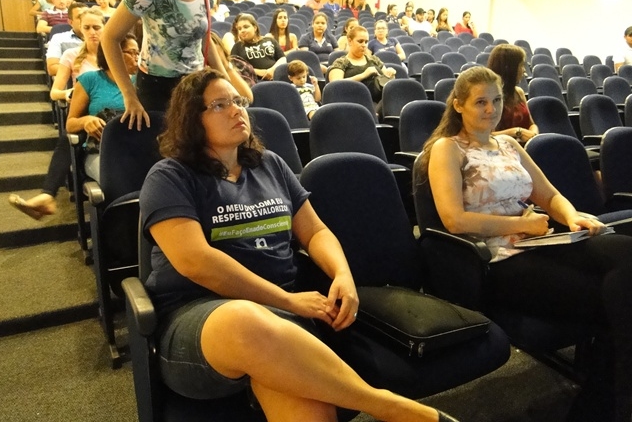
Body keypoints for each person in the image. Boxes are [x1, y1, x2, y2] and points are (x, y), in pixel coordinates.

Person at [138, 67, 459, 422]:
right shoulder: (170, 176)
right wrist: (287, 301)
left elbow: (316, 232)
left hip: (280, 320)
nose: (236, 110)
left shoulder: (270, 165)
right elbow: (195, 261)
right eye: (219, 105)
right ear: (190, 119)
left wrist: (342, 275)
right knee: (245, 319)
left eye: (238, 101)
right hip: (198, 322)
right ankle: (393, 408)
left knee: (312, 409)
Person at [416, 65, 632, 422]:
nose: (491, 109)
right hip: (495, 260)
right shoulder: (447, 149)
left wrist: (572, 216)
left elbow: (549, 195)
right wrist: (521, 225)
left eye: (497, 100)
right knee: (618, 299)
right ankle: (611, 405)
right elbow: (454, 220)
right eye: (481, 102)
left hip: (539, 242)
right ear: (458, 105)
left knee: (625, 253)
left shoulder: (509, 144)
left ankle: (607, 405)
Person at [101, 0, 234, 129]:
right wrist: (129, 95)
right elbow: (109, 37)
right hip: (157, 89)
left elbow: (204, 39)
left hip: (194, 87)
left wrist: (225, 79)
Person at [8, 8, 104, 220]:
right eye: (87, 27)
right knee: (68, 138)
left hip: (108, 110)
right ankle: (48, 195)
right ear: (80, 28)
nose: (92, 32)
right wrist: (68, 93)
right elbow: (55, 92)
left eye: (97, 27)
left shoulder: (115, 55)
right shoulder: (72, 55)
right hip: (82, 110)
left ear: (105, 28)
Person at [65, 34, 140, 182]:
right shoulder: (90, 79)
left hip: (134, 149)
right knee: (119, 180)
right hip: (100, 151)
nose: (137, 58)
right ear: (112, 53)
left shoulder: (141, 82)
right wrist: (86, 121)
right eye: (131, 53)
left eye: (138, 53)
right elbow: (70, 124)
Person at [327, 25, 396, 106]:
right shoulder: (341, 62)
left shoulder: (373, 59)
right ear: (350, 41)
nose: (364, 45)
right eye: (360, 41)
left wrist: (390, 73)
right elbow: (335, 85)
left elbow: (387, 80)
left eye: (366, 42)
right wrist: (363, 75)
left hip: (378, 104)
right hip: (353, 104)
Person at [487, 44, 538, 144]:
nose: (524, 70)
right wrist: (517, 132)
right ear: (510, 68)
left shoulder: (519, 92)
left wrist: (533, 135)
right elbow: (487, 135)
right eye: (521, 65)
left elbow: (532, 124)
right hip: (501, 148)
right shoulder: (489, 96)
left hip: (526, 145)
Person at [231, 13, 286, 81]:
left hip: (275, 77)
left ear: (255, 28)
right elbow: (235, 68)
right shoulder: (237, 47)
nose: (242, 31)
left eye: (246, 27)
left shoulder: (270, 40)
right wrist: (257, 72)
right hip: (253, 81)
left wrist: (272, 70)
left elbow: (282, 58)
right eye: (239, 29)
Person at [45, 2, 87, 76]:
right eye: (80, 17)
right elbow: (52, 68)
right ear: (70, 22)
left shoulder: (100, 39)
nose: (85, 20)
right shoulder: (59, 38)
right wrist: (84, 71)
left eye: (87, 16)